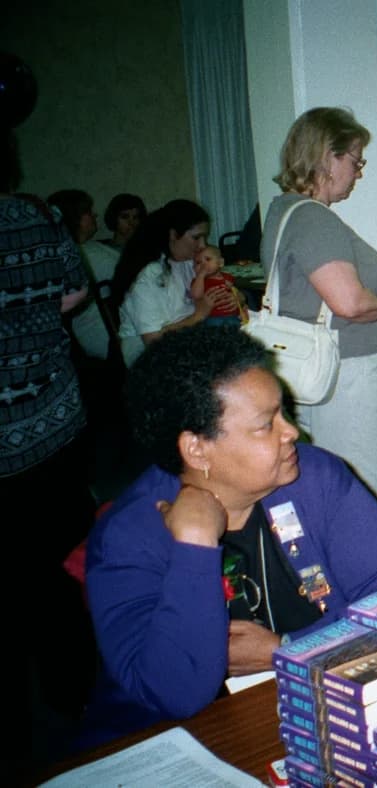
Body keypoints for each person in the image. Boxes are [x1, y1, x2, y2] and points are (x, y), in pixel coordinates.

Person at [81, 324, 377, 748]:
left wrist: (291, 649)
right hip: (184, 741)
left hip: (317, 702)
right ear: (197, 449)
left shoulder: (313, 476)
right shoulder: (129, 537)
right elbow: (172, 694)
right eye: (266, 425)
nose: (292, 433)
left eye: (285, 412)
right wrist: (194, 546)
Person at [260, 106, 377, 558]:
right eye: (355, 160)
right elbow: (351, 303)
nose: (359, 172)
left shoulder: (292, 213)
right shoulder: (311, 218)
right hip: (351, 377)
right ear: (327, 157)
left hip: (360, 377)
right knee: (369, 497)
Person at [1, 131, 97, 763]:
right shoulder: (37, 215)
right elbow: (77, 293)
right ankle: (77, 697)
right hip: (54, 421)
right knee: (64, 561)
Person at [112, 198, 235, 366]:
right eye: (196, 238)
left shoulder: (186, 261)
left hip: (187, 339)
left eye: (204, 238)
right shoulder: (147, 275)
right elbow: (153, 341)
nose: (202, 245)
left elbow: (212, 289)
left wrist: (234, 297)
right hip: (149, 358)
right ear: (172, 234)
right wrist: (199, 315)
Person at [47, 188, 117, 359]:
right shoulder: (79, 255)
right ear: (73, 217)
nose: (94, 215)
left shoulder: (91, 248)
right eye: (87, 212)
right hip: (100, 333)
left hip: (111, 327)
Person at [189, 246, 246, 327]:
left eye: (208, 259)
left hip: (233, 315)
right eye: (198, 263)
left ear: (220, 263)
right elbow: (196, 295)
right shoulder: (198, 281)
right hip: (212, 317)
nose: (203, 265)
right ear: (194, 268)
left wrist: (233, 290)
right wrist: (201, 276)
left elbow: (236, 293)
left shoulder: (227, 277)